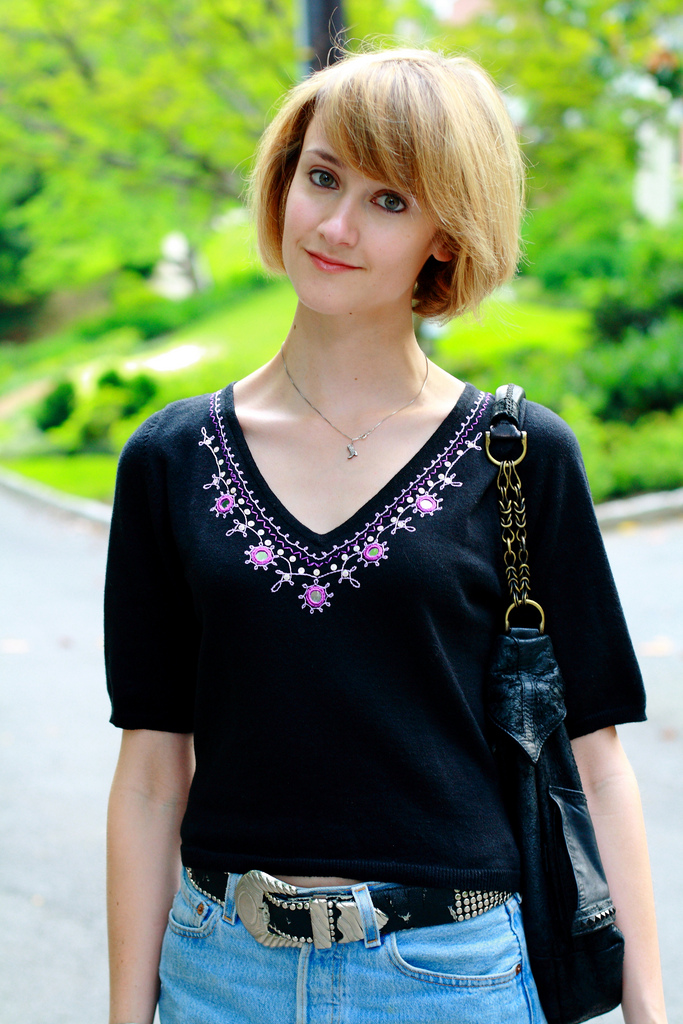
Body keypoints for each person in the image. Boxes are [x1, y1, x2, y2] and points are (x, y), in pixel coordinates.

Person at [105, 47, 667, 1024]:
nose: (334, 224)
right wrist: (124, 1014)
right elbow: (153, 774)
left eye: (389, 202)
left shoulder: (519, 456)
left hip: (452, 978)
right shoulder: (170, 458)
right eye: (321, 177)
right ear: (284, 180)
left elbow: (594, 756)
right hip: (219, 976)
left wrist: (648, 1006)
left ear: (444, 238)